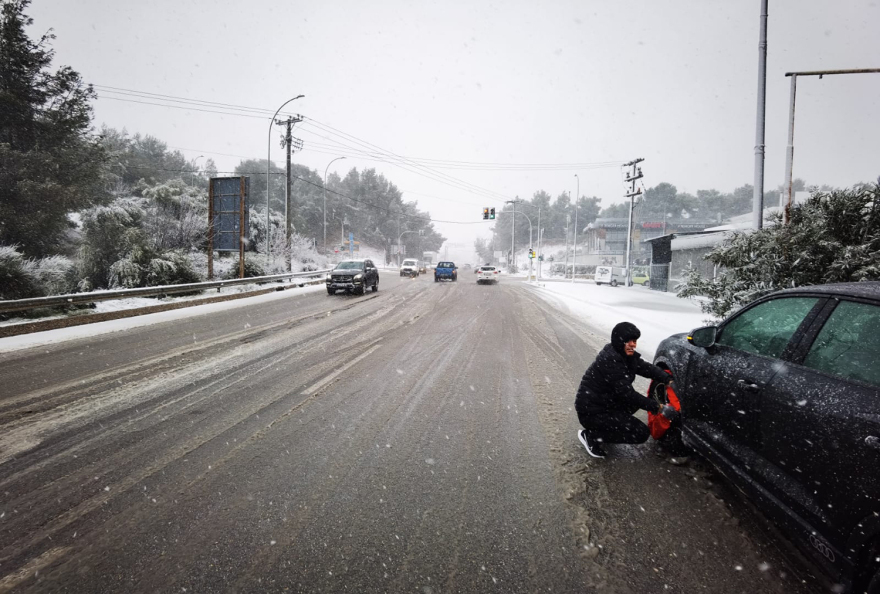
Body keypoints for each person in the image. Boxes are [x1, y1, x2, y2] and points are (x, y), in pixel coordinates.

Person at [575, 321, 679, 458]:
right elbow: (627, 394)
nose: (633, 344)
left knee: (636, 404)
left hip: (604, 404)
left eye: (635, 340)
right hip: (591, 413)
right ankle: (592, 436)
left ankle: (610, 428)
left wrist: (668, 379)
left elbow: (646, 368)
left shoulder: (624, 355)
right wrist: (660, 408)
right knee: (640, 433)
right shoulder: (611, 361)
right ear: (619, 341)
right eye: (628, 340)